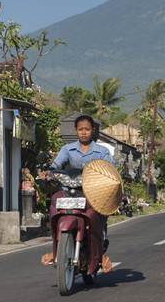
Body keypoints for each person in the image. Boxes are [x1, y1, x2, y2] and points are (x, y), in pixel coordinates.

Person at [46, 114, 114, 276]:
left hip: (92, 193)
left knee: (100, 214)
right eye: (80, 129)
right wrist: (48, 173)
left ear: (93, 130)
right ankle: (56, 245)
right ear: (76, 131)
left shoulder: (102, 151)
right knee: (54, 203)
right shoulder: (67, 149)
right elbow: (55, 165)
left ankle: (100, 246)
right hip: (69, 191)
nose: (84, 132)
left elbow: (110, 169)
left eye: (87, 129)